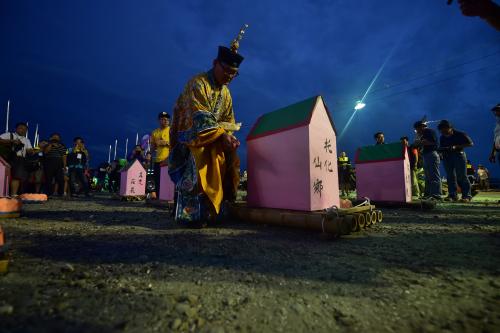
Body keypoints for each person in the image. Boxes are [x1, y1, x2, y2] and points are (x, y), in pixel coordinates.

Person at [168, 33, 245, 226]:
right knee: (200, 157)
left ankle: (218, 209)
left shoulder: (226, 93)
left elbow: (228, 119)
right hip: (191, 136)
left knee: (230, 158)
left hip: (212, 136)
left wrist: (229, 136)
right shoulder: (198, 83)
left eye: (233, 73)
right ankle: (191, 214)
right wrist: (221, 135)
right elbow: (199, 115)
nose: (229, 76)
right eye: (226, 70)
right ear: (215, 63)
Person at [438, 120, 474, 202]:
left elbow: (471, 143)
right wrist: (440, 153)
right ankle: (452, 195)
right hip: (447, 157)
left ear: (450, 128)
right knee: (450, 176)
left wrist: (456, 146)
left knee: (461, 176)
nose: (443, 132)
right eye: (441, 131)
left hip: (459, 155)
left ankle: (467, 196)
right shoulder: (442, 137)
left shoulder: (460, 134)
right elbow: (441, 147)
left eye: (445, 130)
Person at [0, 122, 34, 195]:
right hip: (7, 158)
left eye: (25, 129)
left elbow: (29, 150)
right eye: (21, 128)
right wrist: (12, 141)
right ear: (16, 129)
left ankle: (13, 195)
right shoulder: (9, 134)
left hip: (20, 159)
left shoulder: (27, 140)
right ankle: (3, 193)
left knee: (17, 177)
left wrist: (32, 151)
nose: (23, 130)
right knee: (4, 176)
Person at [414, 121, 442, 200]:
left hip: (431, 154)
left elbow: (432, 142)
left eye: (417, 129)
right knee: (428, 176)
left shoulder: (428, 131)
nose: (417, 131)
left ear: (421, 127)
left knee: (434, 175)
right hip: (426, 155)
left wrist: (419, 142)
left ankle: (436, 194)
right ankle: (428, 194)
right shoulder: (423, 134)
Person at [150, 112, 170, 199]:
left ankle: (169, 197)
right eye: (163, 119)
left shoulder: (172, 130)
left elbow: (177, 144)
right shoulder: (154, 132)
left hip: (169, 159)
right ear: (159, 120)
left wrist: (166, 143)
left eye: (167, 119)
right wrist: (152, 148)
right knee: (157, 180)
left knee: (169, 180)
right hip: (158, 160)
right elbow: (152, 148)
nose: (165, 121)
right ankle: (159, 198)